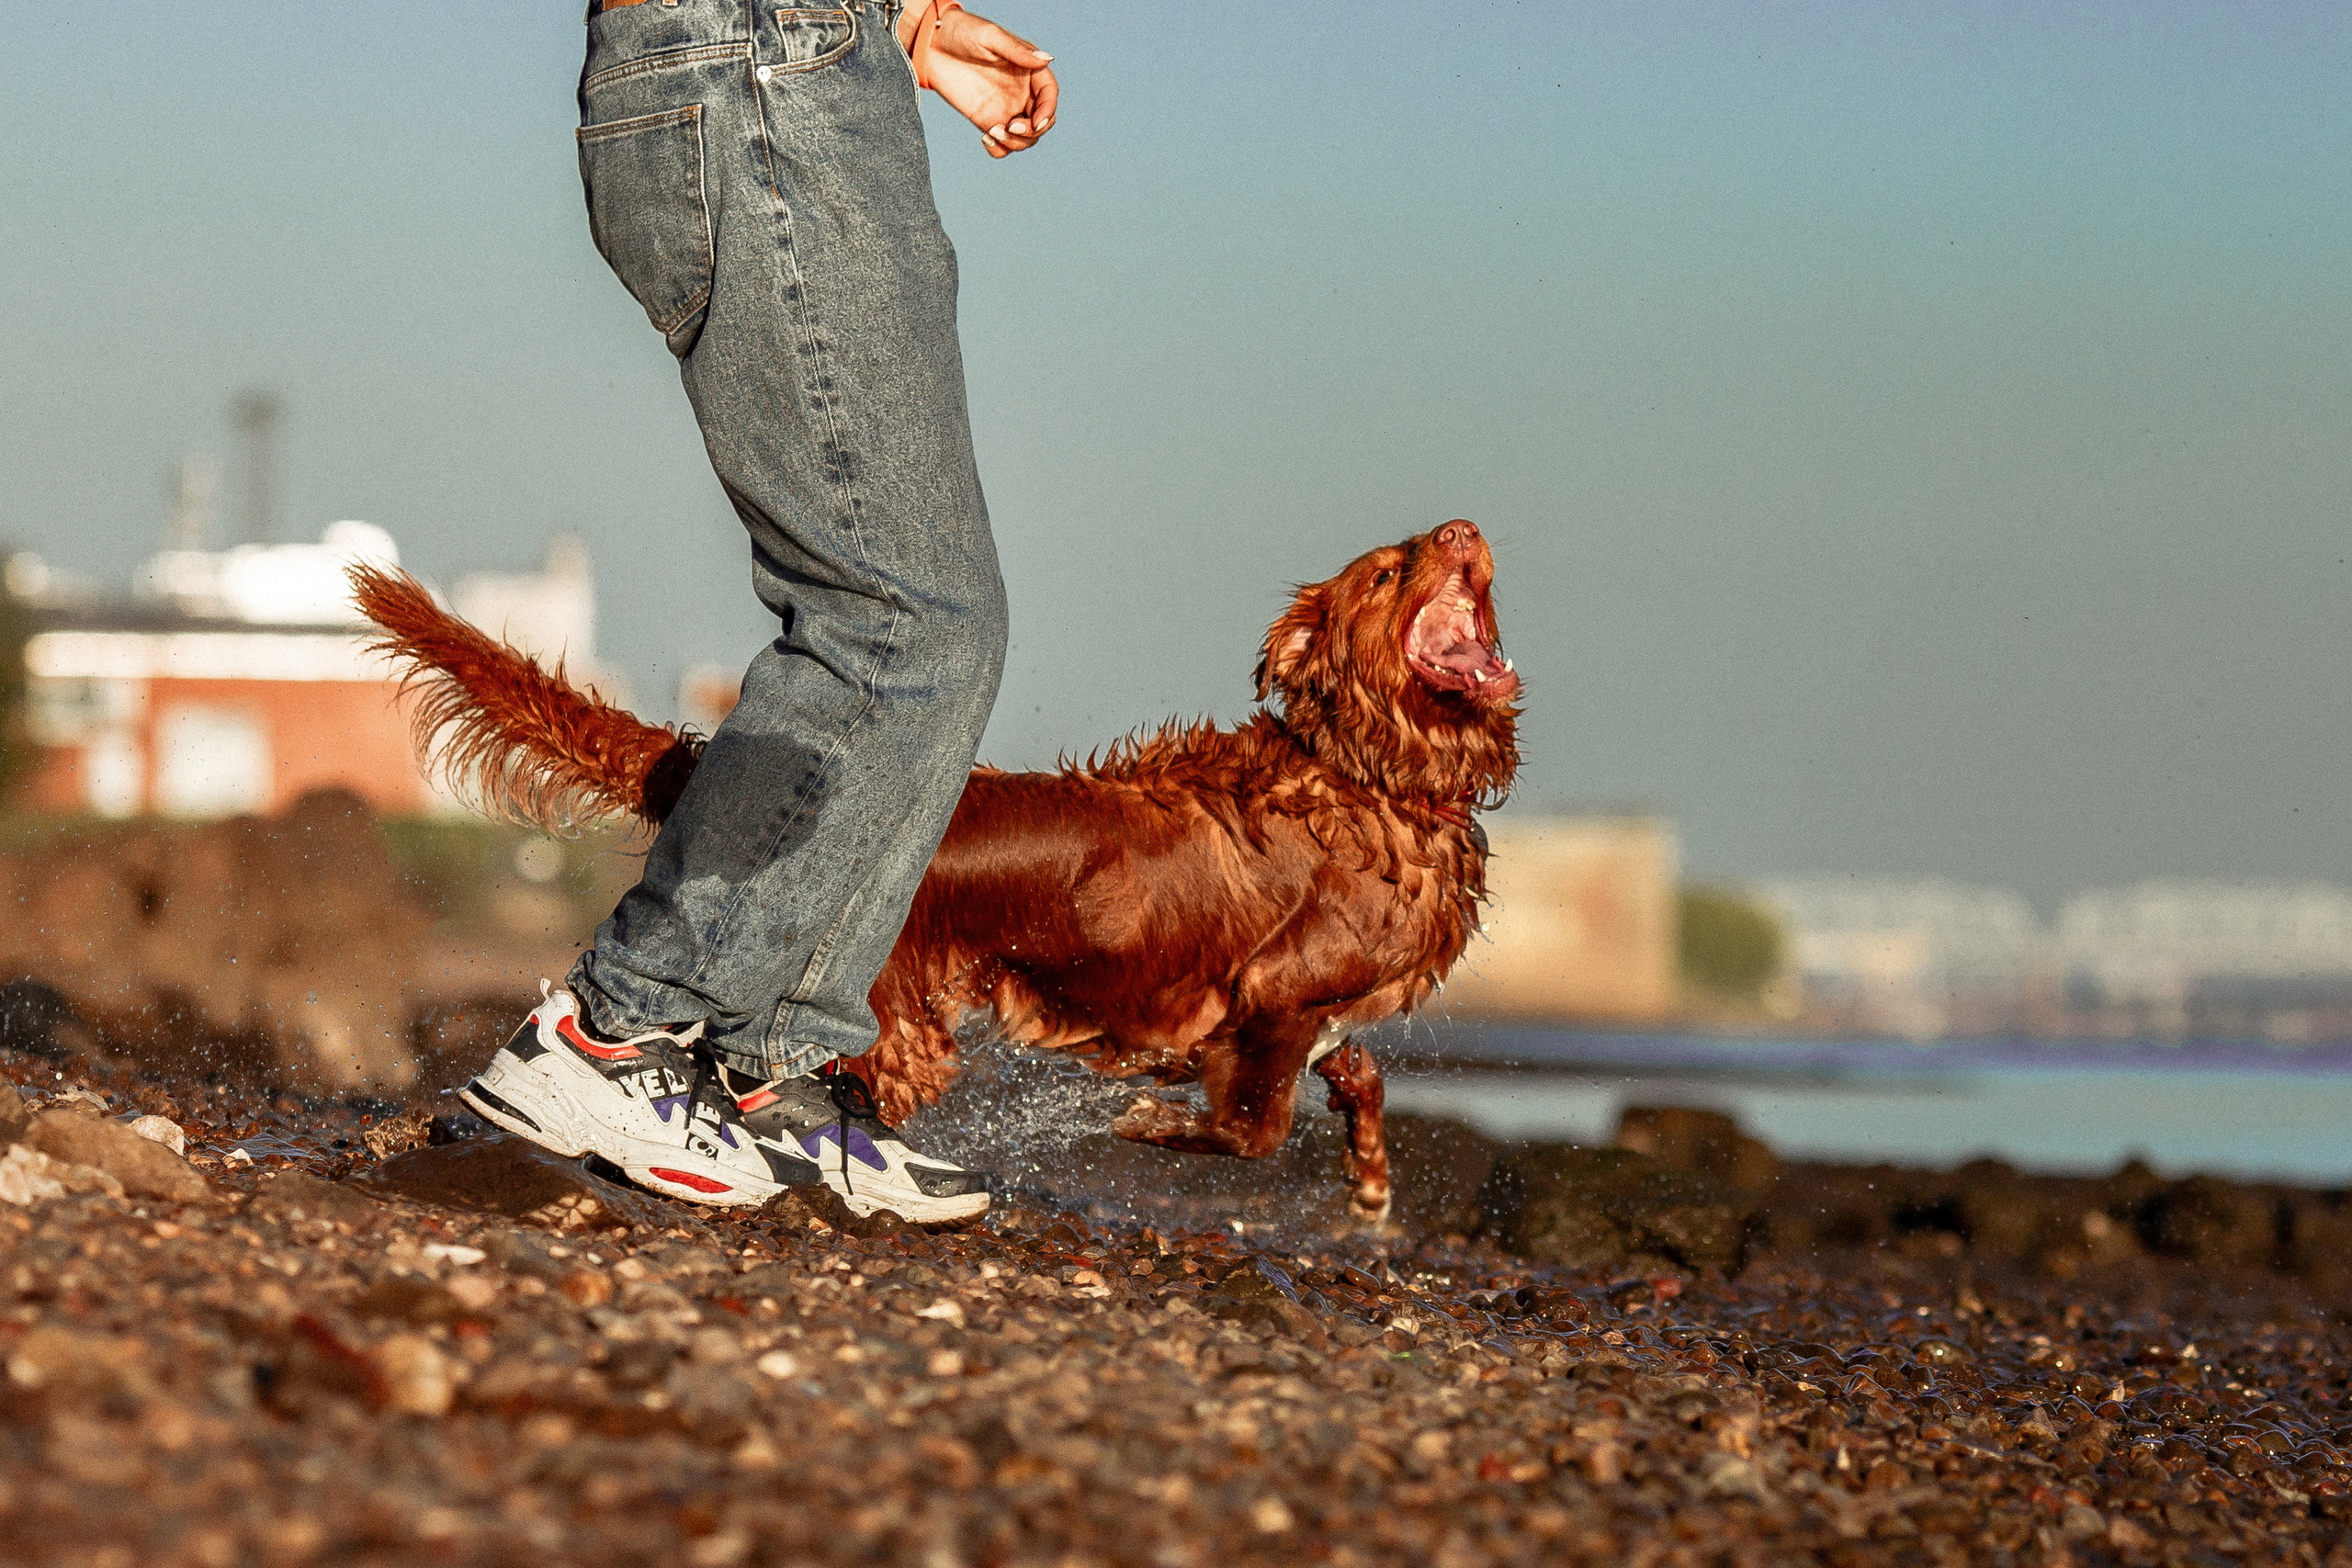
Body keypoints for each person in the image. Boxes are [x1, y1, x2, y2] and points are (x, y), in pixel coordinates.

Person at [458, 0, 1057, 1224]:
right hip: (761, 68)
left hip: (803, 63)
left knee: (942, 630)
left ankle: (761, 1062)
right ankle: (619, 1028)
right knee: (893, 616)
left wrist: (903, 23)